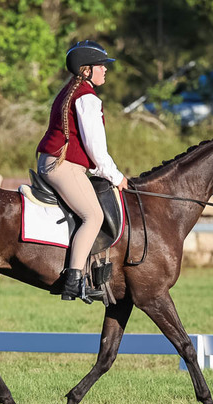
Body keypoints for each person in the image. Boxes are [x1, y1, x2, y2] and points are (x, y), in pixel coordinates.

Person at [36, 40, 129, 302]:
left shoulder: (71, 91)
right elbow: (95, 149)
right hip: (63, 165)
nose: (105, 70)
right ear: (86, 70)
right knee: (93, 215)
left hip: (55, 161)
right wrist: (116, 176)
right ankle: (74, 280)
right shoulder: (87, 97)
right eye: (101, 66)